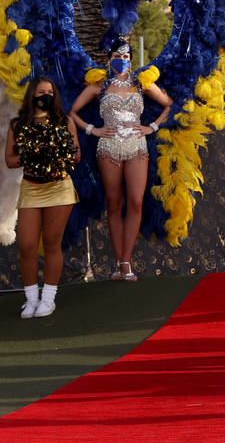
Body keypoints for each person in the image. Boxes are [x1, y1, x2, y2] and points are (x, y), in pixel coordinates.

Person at [69, 39, 171, 282]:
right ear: (109, 57)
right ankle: (118, 263)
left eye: (126, 56)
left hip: (137, 146)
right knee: (114, 204)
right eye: (117, 55)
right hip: (108, 147)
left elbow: (170, 106)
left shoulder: (142, 83)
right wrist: (92, 129)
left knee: (135, 202)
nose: (122, 60)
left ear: (131, 58)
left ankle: (126, 261)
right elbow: (72, 111)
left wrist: (152, 127)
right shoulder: (99, 84)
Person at [5, 76, 80, 318]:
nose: (45, 95)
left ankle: (48, 299)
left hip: (59, 188)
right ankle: (30, 299)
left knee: (51, 243)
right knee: (26, 245)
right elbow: (9, 160)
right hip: (31, 188)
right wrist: (32, 156)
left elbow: (76, 155)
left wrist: (58, 153)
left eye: (50, 91)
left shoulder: (65, 121)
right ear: (32, 95)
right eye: (40, 91)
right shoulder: (18, 125)